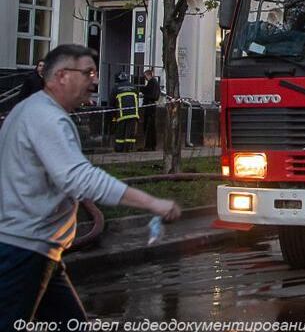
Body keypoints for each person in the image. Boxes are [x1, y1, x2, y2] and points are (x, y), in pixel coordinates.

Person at [0, 44, 181, 328]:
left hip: (38, 248)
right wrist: (152, 203)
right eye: (87, 73)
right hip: (25, 249)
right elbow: (82, 178)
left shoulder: (27, 110)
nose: (95, 81)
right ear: (61, 75)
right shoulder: (48, 119)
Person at [110, 72, 140, 152]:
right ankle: (129, 149)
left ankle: (119, 149)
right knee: (130, 133)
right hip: (134, 114)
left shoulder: (116, 88)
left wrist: (113, 116)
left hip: (121, 115)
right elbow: (137, 99)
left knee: (120, 133)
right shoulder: (133, 87)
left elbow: (111, 103)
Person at [141, 70, 161, 151]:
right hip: (150, 107)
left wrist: (144, 94)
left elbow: (153, 95)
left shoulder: (152, 83)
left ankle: (149, 145)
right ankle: (151, 145)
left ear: (148, 75)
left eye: (145, 76)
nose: (145, 78)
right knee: (151, 127)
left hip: (150, 108)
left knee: (149, 127)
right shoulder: (153, 83)